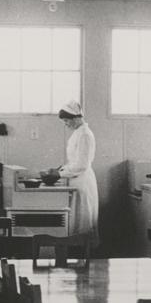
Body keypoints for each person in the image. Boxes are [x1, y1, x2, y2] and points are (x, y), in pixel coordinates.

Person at [57, 100, 99, 243]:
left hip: (83, 181)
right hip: (77, 180)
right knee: (76, 220)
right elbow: (76, 160)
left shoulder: (85, 134)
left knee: (82, 221)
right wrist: (62, 169)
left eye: (67, 121)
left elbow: (81, 165)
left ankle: (83, 255)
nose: (65, 124)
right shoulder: (78, 133)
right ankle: (76, 251)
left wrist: (59, 174)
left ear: (76, 118)